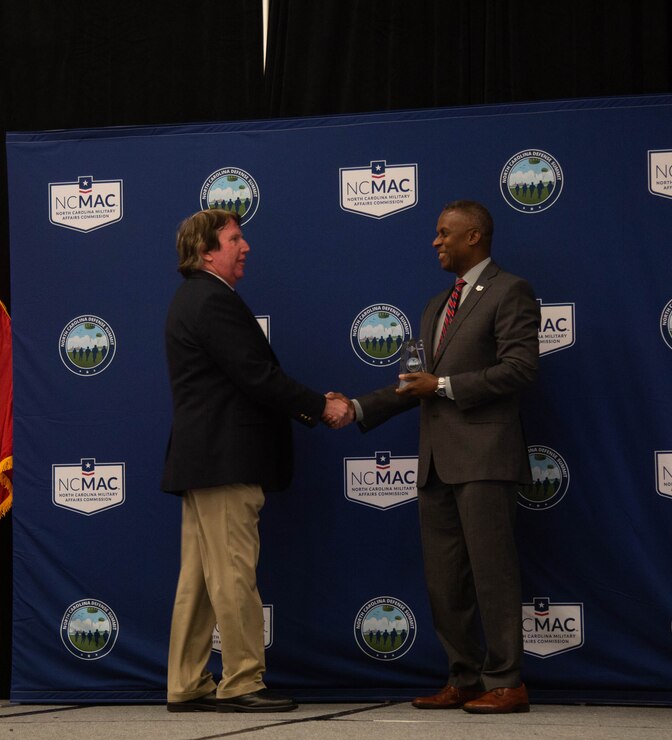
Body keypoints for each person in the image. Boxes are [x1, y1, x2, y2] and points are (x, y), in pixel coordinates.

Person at [328, 200, 540, 714]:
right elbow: (414, 384)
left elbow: (520, 369)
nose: (435, 241)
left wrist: (443, 385)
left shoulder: (510, 291)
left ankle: (507, 682)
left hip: (485, 461)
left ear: (474, 236)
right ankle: (464, 678)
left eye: (444, 233)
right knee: (445, 581)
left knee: (492, 574)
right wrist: (357, 407)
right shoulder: (434, 306)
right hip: (435, 465)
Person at [161, 208, 349, 713]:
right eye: (234, 239)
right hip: (225, 461)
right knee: (232, 574)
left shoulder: (194, 298)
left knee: (200, 579)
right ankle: (242, 680)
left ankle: (186, 682)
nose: (246, 247)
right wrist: (321, 406)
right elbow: (257, 377)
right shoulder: (212, 300)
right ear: (206, 252)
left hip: (205, 461)